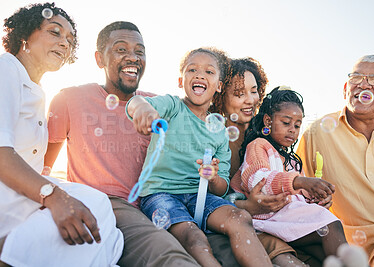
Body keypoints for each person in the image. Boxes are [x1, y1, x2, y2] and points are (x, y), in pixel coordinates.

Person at [44, 21, 201, 266]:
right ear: (99, 59)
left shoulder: (158, 104)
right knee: (171, 259)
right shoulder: (68, 99)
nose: (133, 57)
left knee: (224, 249)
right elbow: (43, 167)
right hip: (108, 205)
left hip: (162, 203)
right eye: (121, 49)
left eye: (140, 52)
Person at [0, 3, 123, 267]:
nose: (65, 44)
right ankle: (11, 255)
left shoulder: (36, 89)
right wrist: (55, 197)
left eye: (70, 40)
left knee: (101, 212)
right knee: (92, 207)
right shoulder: (6, 68)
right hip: (6, 201)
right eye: (55, 32)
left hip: (21, 197)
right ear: (25, 36)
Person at [126, 47, 272, 267]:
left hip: (200, 197)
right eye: (192, 69)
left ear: (219, 86)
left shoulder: (220, 132)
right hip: (161, 194)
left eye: (209, 72)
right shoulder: (173, 106)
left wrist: (213, 177)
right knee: (193, 236)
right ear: (180, 80)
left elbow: (222, 189)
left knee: (241, 219)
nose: (200, 75)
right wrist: (143, 111)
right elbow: (136, 103)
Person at [211, 57, 322, 266]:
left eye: (254, 91)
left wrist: (310, 196)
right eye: (239, 93)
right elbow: (205, 198)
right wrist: (248, 206)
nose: (250, 100)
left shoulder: (271, 139)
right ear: (219, 95)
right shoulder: (214, 138)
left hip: (281, 222)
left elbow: (285, 181)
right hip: (242, 228)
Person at [297, 54, 374, 267]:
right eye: (356, 77)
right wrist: (312, 201)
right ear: (346, 88)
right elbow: (297, 192)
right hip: (364, 249)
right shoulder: (317, 133)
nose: (364, 85)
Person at [232, 86, 356, 262]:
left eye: (297, 125)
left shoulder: (292, 161)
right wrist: (300, 182)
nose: (292, 129)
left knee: (322, 253)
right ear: (268, 121)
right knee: (331, 226)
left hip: (288, 220)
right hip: (267, 218)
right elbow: (257, 180)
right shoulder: (259, 146)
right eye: (286, 122)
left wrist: (315, 199)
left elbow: (299, 196)